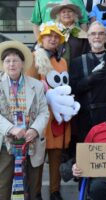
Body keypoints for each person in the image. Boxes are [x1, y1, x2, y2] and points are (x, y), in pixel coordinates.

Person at [26, 24, 80, 200]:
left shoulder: (62, 61)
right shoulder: (34, 58)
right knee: (38, 158)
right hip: (40, 116)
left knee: (56, 156)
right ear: (42, 38)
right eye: (49, 36)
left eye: (56, 37)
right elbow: (30, 87)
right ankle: (35, 193)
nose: (53, 39)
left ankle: (54, 191)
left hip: (58, 117)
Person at [0, 41, 49, 200]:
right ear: (3, 64)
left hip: (31, 141)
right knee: (3, 185)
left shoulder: (36, 85)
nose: (11, 64)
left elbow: (44, 112)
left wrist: (35, 130)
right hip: (5, 142)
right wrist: (10, 128)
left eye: (15, 60)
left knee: (33, 185)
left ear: (23, 64)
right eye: (7, 61)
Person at [69, 21, 106, 145]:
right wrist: (89, 79)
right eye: (93, 34)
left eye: (101, 34)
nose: (97, 37)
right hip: (85, 118)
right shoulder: (77, 62)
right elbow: (73, 91)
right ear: (88, 38)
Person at [49, 0, 90, 66]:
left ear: (75, 15)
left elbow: (86, 57)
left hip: (76, 71)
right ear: (59, 16)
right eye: (63, 12)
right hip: (55, 71)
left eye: (69, 11)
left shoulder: (82, 35)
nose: (66, 14)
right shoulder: (52, 32)